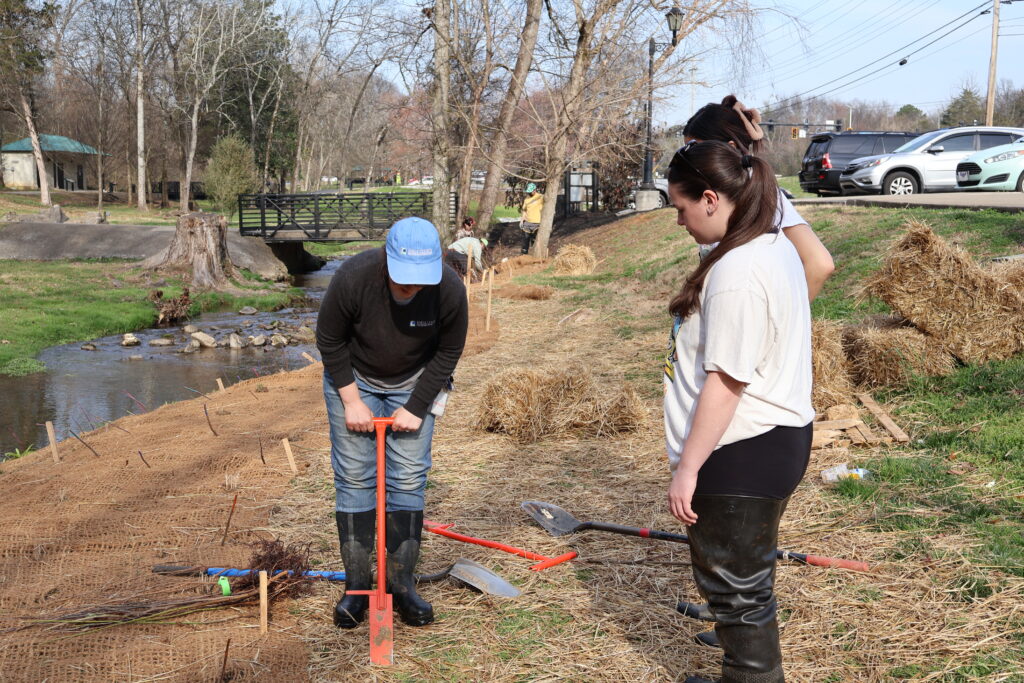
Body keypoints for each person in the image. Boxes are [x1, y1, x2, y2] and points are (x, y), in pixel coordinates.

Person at [662, 141, 814, 683]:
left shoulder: (739, 271)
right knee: (744, 587)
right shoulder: (768, 245)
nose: (680, 221)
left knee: (737, 594)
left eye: (680, 208)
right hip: (772, 440)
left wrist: (687, 467)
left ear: (709, 198)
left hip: (741, 450)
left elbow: (726, 381)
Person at [316, 216, 468, 629]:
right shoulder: (354, 277)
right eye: (405, 282)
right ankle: (358, 588)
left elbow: (449, 352)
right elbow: (329, 340)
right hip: (355, 377)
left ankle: (401, 586)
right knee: (354, 477)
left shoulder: (450, 290)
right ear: (387, 260)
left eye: (420, 282)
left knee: (408, 478)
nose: (413, 290)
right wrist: (351, 400)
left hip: (415, 380)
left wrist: (416, 407)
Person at [683, 95, 834, 300]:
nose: (690, 158)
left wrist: (783, 325)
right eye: (686, 150)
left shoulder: (760, 192)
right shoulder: (722, 195)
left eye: (696, 148)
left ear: (731, 147)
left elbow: (820, 264)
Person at [519, 182, 543, 254]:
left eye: (531, 192)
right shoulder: (527, 199)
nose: (529, 193)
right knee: (525, 241)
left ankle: (534, 256)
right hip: (527, 223)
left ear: (534, 190)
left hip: (537, 223)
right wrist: (522, 220)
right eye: (528, 192)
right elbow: (524, 210)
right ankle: (524, 255)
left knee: (534, 241)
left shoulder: (541, 197)